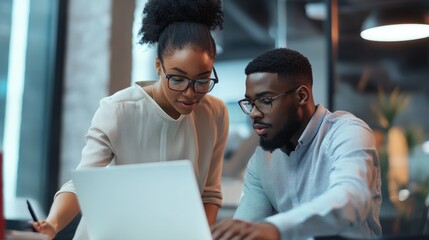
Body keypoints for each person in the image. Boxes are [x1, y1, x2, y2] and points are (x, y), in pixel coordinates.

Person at [32, 0, 228, 239]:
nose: (190, 92)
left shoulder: (214, 114)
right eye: (177, 79)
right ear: (158, 67)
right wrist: (52, 224)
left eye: (202, 80)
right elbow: (82, 184)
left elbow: (210, 194)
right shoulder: (118, 110)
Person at [211, 48, 382, 240]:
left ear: (301, 96)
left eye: (265, 100)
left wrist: (275, 228)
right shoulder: (262, 160)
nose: (253, 113)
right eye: (250, 103)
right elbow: (247, 227)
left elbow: (350, 201)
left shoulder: (346, 132)